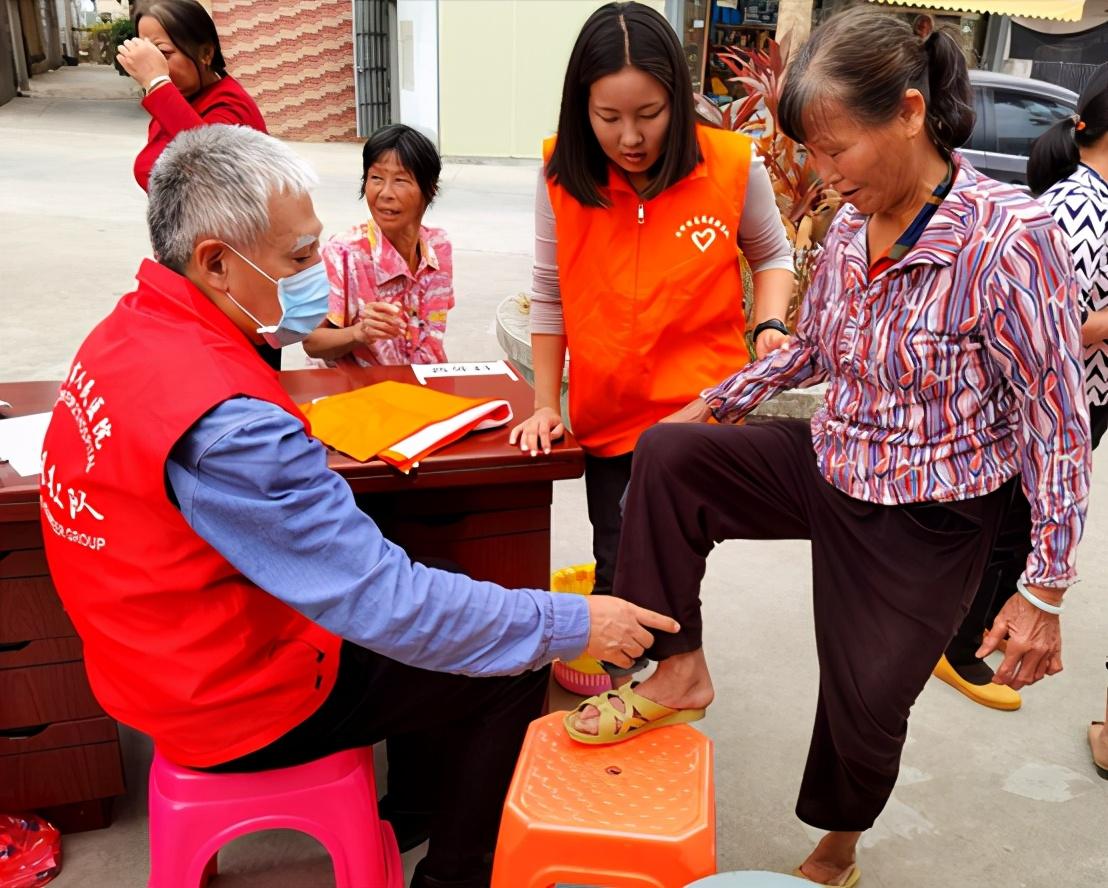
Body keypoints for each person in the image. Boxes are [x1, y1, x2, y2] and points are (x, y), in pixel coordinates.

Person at [38, 125, 675, 888]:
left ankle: (413, 805)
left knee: (448, 587)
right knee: (509, 659)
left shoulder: (125, 331)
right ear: (215, 261)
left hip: (146, 655)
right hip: (222, 695)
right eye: (300, 259)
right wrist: (576, 622)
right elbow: (384, 602)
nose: (316, 273)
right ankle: (455, 876)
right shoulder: (232, 428)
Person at [564, 9, 1090, 886]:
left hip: (930, 511)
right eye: (810, 151)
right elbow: (814, 345)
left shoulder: (1010, 239)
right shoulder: (852, 223)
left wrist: (1045, 586)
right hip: (834, 457)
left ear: (911, 114)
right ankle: (679, 671)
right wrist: (714, 402)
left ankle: (837, 848)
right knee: (667, 455)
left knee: (867, 704)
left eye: (836, 149)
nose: (820, 173)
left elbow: (1057, 422)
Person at [509, 1, 795, 617]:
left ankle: (652, 676)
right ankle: (644, 672)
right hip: (607, 417)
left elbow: (773, 253)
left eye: (650, 114)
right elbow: (549, 292)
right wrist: (543, 405)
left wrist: (768, 322)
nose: (631, 138)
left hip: (699, 413)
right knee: (618, 561)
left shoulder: (730, 166)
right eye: (608, 116)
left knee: (662, 561)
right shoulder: (560, 172)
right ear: (580, 108)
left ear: (678, 101)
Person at [938, 65, 1108, 714]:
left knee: (1015, 526)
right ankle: (960, 647)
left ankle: (971, 637)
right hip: (1056, 403)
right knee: (1013, 528)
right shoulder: (1077, 207)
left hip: (1081, 397)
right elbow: (1054, 324)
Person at [117, 0, 281, 370]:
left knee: (241, 387)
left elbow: (209, 165)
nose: (152, 66)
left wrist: (158, 83)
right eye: (145, 53)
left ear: (206, 52)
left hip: (232, 285)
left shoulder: (230, 107)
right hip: (190, 274)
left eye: (164, 54)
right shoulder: (179, 100)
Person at [303, 125, 453, 367]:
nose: (385, 193)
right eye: (376, 178)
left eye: (401, 180)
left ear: (431, 188)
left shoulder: (439, 245)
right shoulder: (343, 252)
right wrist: (358, 332)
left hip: (426, 388)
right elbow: (311, 342)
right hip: (363, 394)